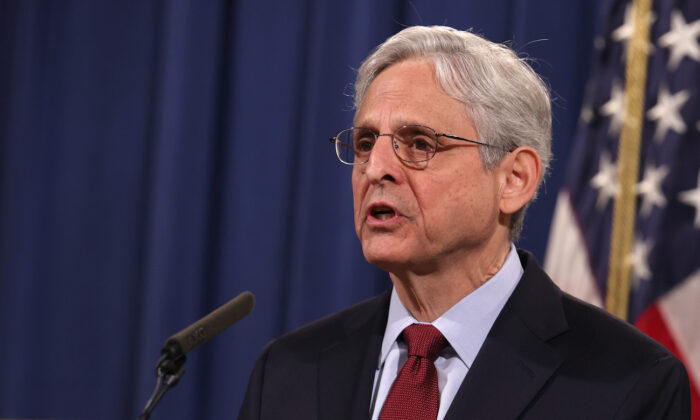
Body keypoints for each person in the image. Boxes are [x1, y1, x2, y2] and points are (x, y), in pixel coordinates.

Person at [238, 25, 690, 420]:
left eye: (418, 143)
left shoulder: (629, 383)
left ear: (514, 179)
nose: (376, 168)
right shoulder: (287, 371)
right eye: (365, 141)